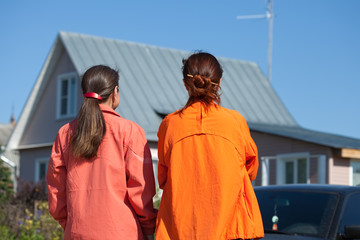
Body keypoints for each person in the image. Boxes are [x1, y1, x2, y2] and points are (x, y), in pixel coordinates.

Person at [155, 52, 264, 240]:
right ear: (219, 83)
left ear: (185, 83)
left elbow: (164, 178)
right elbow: (251, 170)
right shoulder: (235, 121)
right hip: (231, 229)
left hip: (180, 228)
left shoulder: (170, 124)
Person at [47, 65, 157, 240]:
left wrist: (72, 225)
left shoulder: (64, 133)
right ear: (115, 92)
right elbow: (141, 191)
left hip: (78, 232)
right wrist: (149, 229)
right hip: (123, 233)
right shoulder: (130, 131)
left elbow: (56, 192)